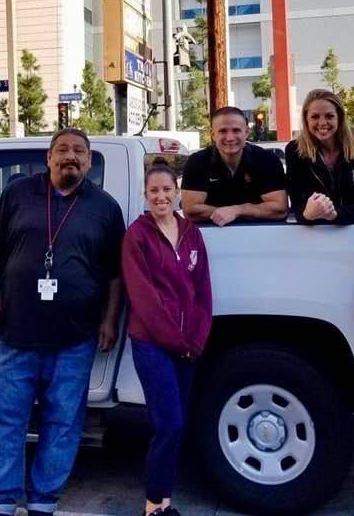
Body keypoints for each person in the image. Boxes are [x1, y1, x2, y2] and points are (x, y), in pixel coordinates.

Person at [0, 128, 126, 516]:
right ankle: (0, 499)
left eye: (79, 151)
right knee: (7, 419)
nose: (70, 156)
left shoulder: (105, 207)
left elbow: (114, 274)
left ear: (90, 162)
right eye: (62, 150)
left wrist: (110, 320)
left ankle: (44, 498)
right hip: (15, 334)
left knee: (62, 422)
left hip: (75, 338)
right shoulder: (17, 194)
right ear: (48, 157)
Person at [122, 161, 212, 516]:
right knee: (168, 423)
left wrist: (198, 337)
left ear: (177, 192)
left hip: (189, 345)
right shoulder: (137, 235)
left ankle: (165, 502)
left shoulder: (191, 232)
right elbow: (143, 297)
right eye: (154, 191)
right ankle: (153, 503)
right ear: (145, 195)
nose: (161, 196)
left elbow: (202, 290)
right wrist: (177, 341)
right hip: (152, 344)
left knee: (178, 424)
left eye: (166, 189)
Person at [285, 88, 354, 224]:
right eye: (315, 116)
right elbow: (297, 206)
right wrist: (306, 215)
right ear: (306, 119)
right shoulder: (295, 151)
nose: (322, 123)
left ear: (339, 117)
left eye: (329, 116)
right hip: (314, 236)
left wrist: (335, 215)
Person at [181, 106, 287, 225]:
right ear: (213, 135)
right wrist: (227, 213)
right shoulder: (197, 161)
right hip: (211, 238)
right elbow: (191, 211)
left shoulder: (267, 160)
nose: (230, 138)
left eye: (236, 130)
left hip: (261, 237)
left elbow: (280, 209)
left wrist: (237, 210)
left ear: (246, 132)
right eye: (223, 131)